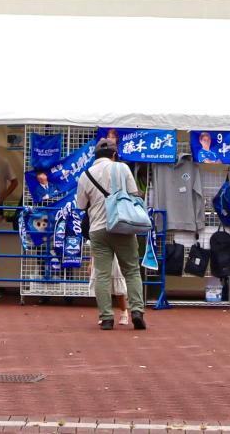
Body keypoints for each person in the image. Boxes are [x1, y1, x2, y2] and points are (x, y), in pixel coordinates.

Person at [75, 138, 146, 331]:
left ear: (95, 156)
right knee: (131, 270)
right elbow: (134, 193)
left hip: (98, 229)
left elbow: (80, 205)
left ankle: (106, 318)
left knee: (102, 275)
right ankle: (137, 311)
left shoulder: (85, 175)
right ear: (114, 155)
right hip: (122, 225)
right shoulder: (122, 168)